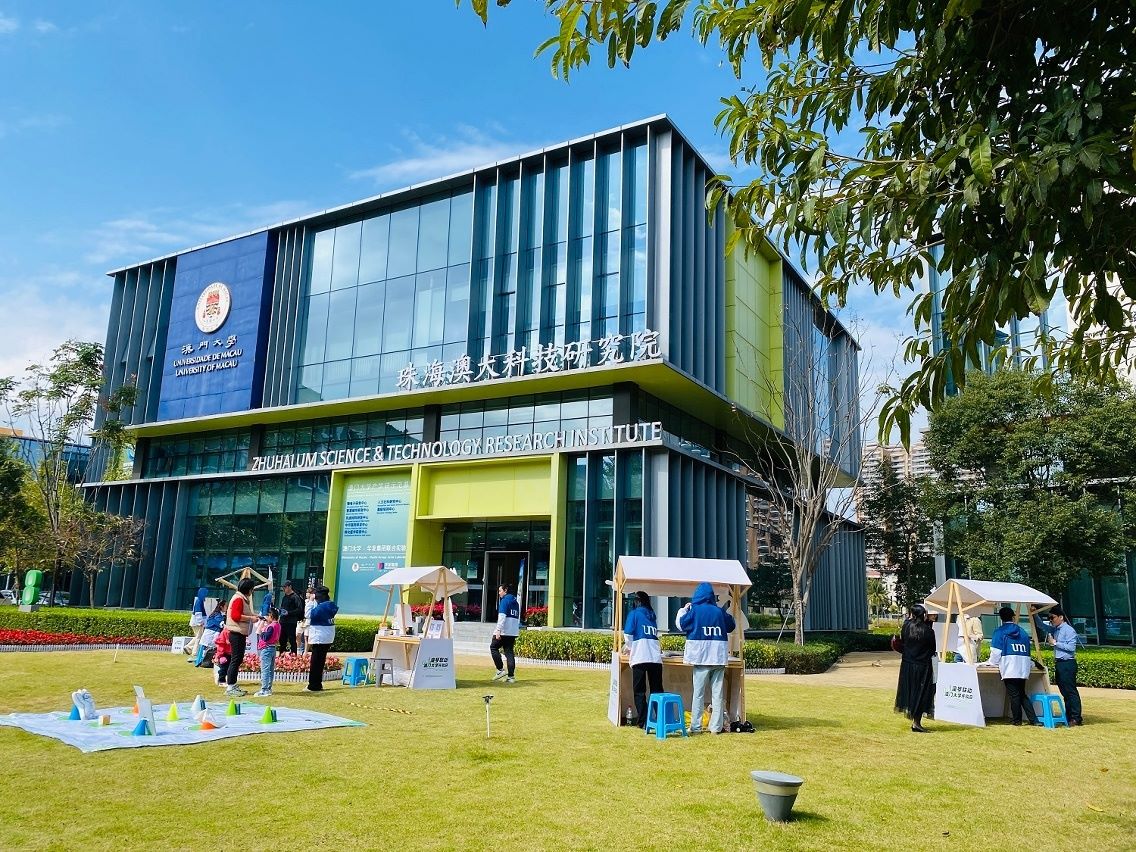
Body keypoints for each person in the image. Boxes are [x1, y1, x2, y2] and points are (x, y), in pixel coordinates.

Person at [676, 582, 736, 734]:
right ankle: (716, 727)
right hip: (718, 657)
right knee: (717, 694)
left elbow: (681, 624)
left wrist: (684, 610)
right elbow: (731, 625)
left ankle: (696, 727)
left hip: (701, 657)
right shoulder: (719, 611)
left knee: (698, 694)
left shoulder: (695, 611)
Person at [988, 606, 1042, 726]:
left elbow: (995, 653)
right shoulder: (1023, 631)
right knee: (1021, 694)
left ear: (1001, 618)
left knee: (1014, 695)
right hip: (1022, 666)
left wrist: (991, 663)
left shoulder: (999, 632)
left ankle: (1017, 720)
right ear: (1013, 617)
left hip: (1009, 666)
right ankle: (1034, 720)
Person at [1034, 605, 1084, 725]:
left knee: (1070, 691)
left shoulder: (1068, 630)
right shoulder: (1055, 629)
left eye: (1053, 617)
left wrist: (1056, 643)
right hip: (1060, 663)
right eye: (1049, 618)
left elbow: (1071, 648)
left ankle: (1076, 717)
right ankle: (1069, 715)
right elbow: (1041, 625)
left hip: (1068, 663)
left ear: (1061, 617)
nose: (1051, 620)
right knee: (1064, 691)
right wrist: (1034, 614)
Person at [623, 591, 662, 728]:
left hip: (640, 656)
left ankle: (644, 721)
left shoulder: (634, 614)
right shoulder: (652, 615)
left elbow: (628, 634)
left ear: (637, 601)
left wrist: (629, 648)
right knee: (657, 690)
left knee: (639, 691)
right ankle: (660, 719)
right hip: (655, 658)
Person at [895, 604, 937, 732]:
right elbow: (932, 649)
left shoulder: (906, 626)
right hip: (923, 666)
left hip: (907, 664)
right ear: (924, 615)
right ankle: (916, 722)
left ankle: (915, 721)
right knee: (922, 693)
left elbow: (903, 641)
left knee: (911, 691)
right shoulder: (928, 631)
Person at [223, 578, 258, 698]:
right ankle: (230, 686)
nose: (252, 591)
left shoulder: (242, 598)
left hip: (239, 633)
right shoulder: (238, 598)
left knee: (237, 659)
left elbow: (243, 613)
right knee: (236, 660)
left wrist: (254, 616)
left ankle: (233, 684)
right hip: (236, 633)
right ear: (248, 589)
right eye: (252, 589)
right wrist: (251, 618)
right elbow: (236, 616)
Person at [304, 586, 338, 692]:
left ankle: (313, 685)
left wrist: (310, 601)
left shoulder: (321, 607)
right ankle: (318, 683)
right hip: (328, 636)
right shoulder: (331, 605)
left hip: (319, 637)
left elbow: (308, 614)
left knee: (315, 663)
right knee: (320, 661)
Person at [490, 583, 521, 683]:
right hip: (512, 632)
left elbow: (502, 617)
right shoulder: (516, 603)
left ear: (505, 590)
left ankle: (500, 670)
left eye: (500, 591)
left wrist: (498, 630)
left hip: (504, 631)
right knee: (509, 652)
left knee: (493, 647)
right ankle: (511, 677)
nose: (499, 593)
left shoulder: (504, 601)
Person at [255, 608, 281, 698]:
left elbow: (266, 637)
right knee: (270, 669)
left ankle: (264, 689)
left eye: (268, 616)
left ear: (271, 616)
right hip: (272, 648)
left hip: (266, 648)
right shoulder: (278, 625)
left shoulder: (271, 626)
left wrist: (262, 631)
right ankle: (268, 688)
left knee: (265, 669)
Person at [278, 580, 303, 654]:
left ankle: (293, 655)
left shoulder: (295, 597)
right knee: (282, 640)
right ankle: (281, 655)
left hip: (291, 622)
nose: (284, 589)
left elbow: (299, 609)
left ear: (290, 587)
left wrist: (289, 613)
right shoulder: (284, 597)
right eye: (283, 587)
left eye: (285, 587)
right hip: (283, 621)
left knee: (292, 639)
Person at [185, 587, 208, 656]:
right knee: (199, 637)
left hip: (195, 622)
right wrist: (200, 622)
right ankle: (194, 652)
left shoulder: (199, 600)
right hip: (197, 623)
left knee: (198, 636)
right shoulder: (199, 601)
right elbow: (198, 612)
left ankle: (188, 647)